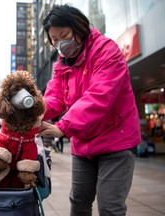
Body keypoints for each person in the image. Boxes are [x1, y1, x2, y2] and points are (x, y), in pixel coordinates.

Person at [38, 4, 141, 216]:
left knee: (110, 207)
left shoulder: (107, 50)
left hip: (116, 142)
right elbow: (54, 96)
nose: (60, 44)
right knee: (78, 201)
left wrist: (63, 127)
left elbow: (99, 96)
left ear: (80, 28)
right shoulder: (62, 64)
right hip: (84, 143)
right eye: (55, 40)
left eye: (64, 35)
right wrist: (35, 113)